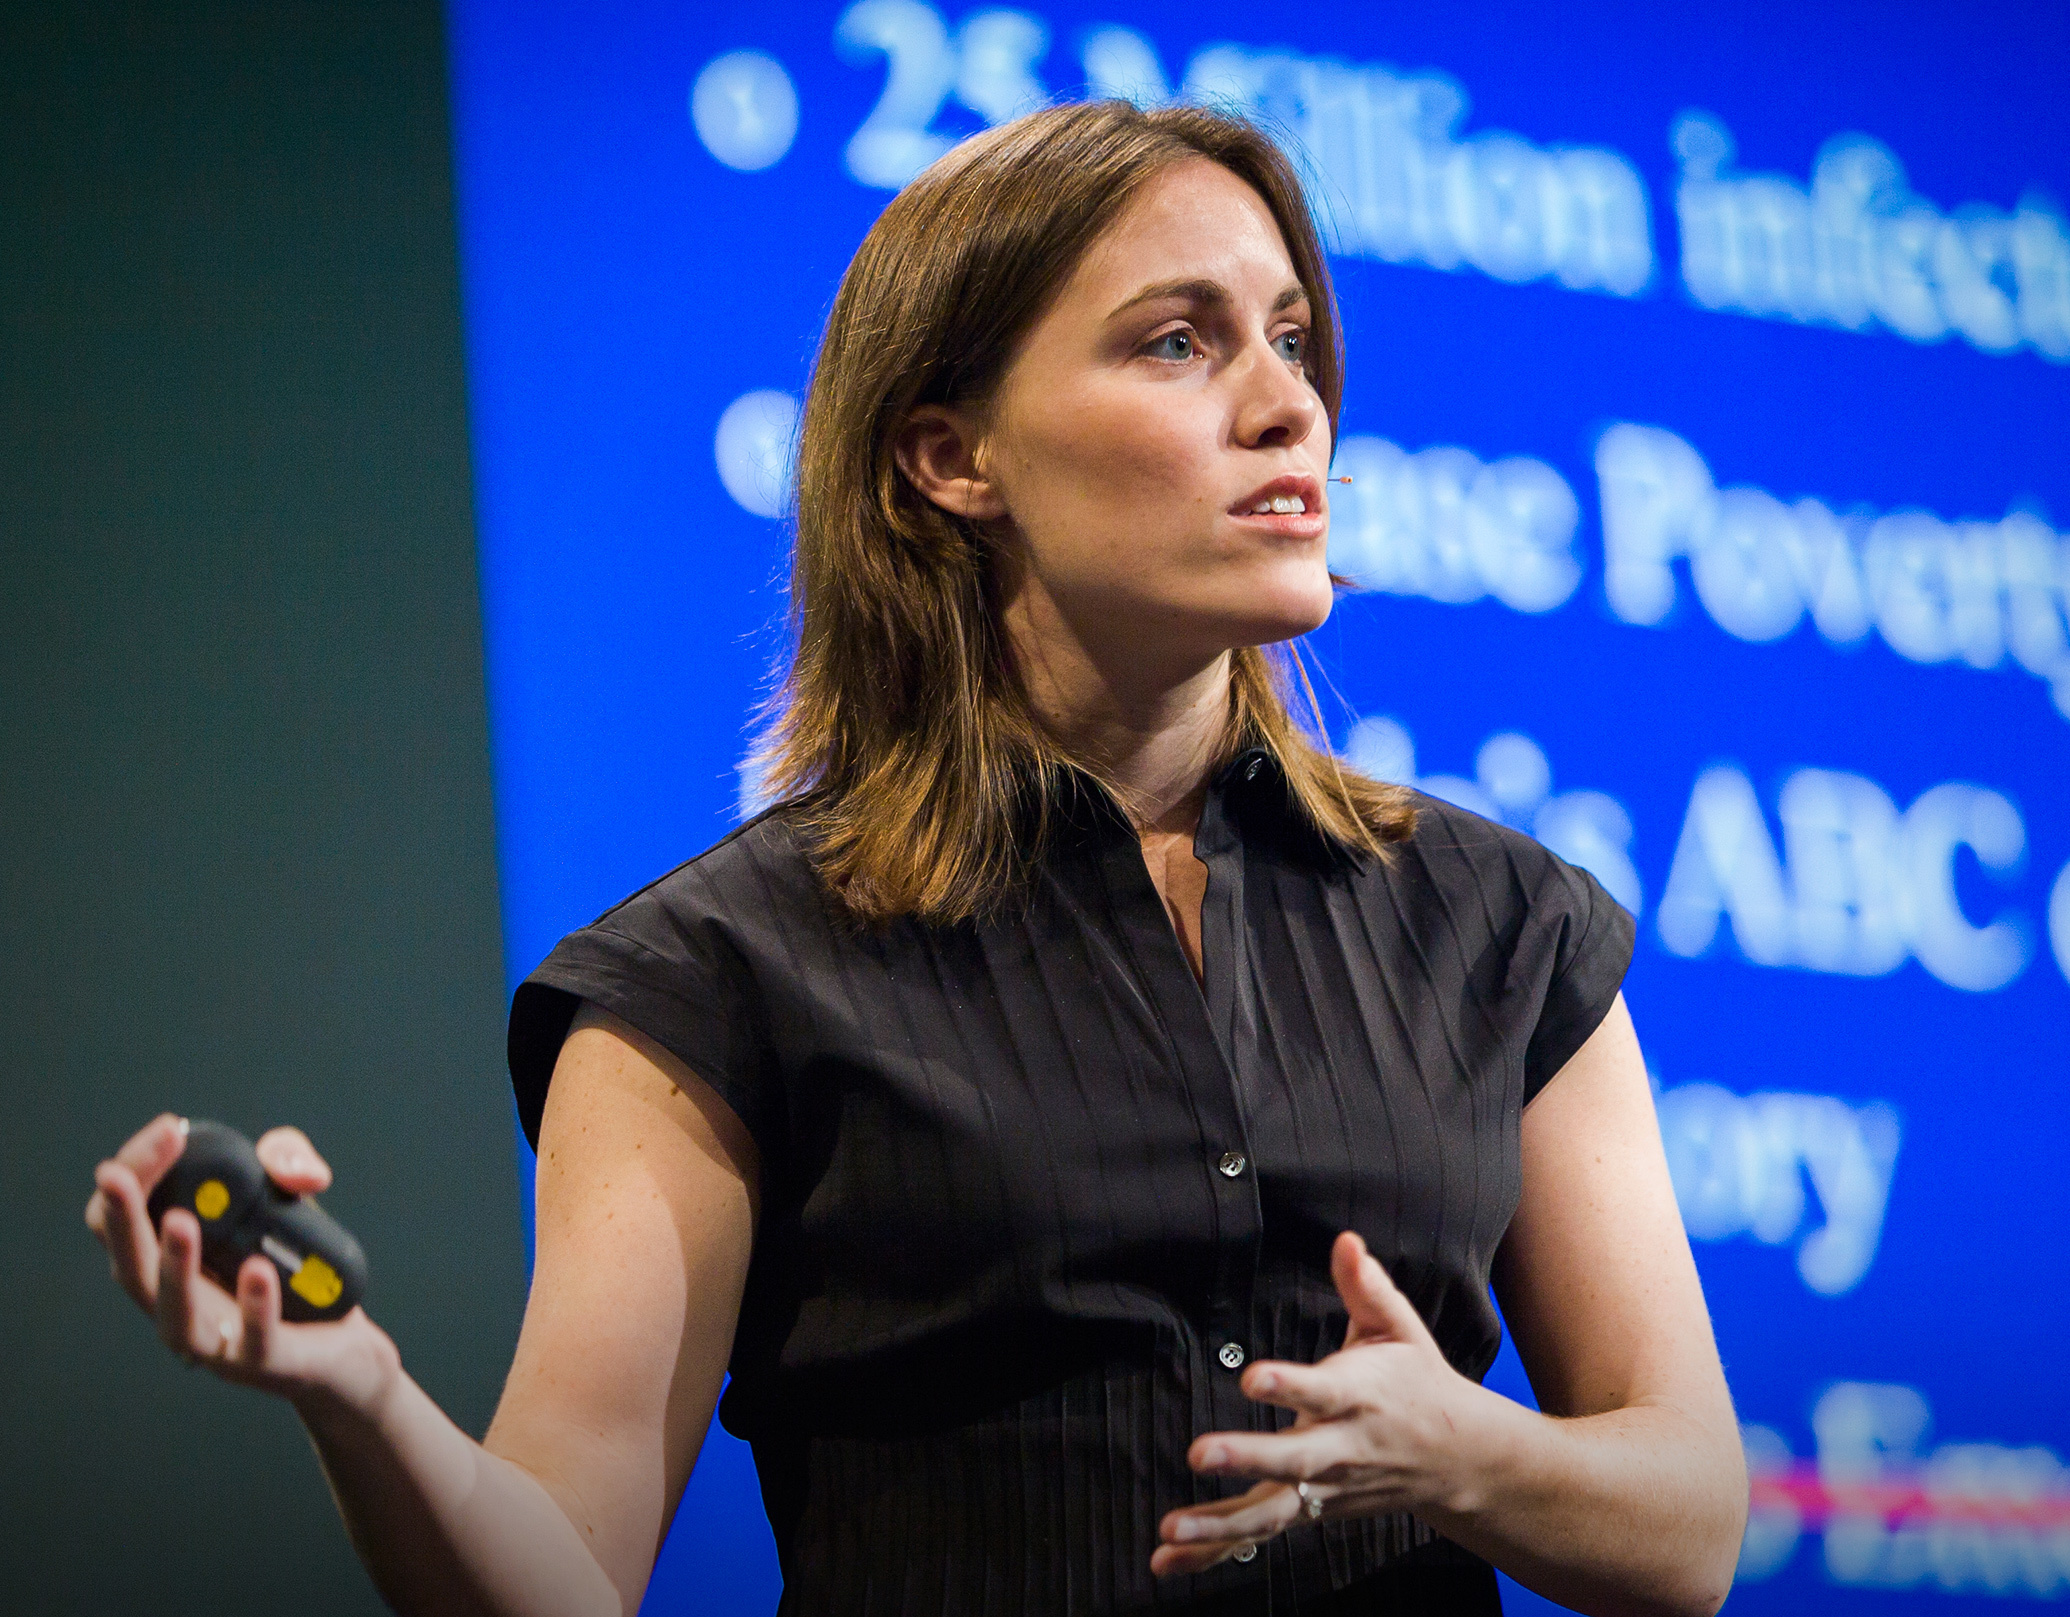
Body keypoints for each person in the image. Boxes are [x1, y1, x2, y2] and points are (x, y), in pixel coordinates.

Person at [85, 100, 1750, 1615]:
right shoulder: (715, 981)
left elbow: (1688, 1526)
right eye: (1179, 342)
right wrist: (358, 1392)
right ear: (950, 456)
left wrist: (1462, 1449)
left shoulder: (1498, 925)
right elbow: (560, 1577)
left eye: (1294, 340)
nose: (1284, 403)